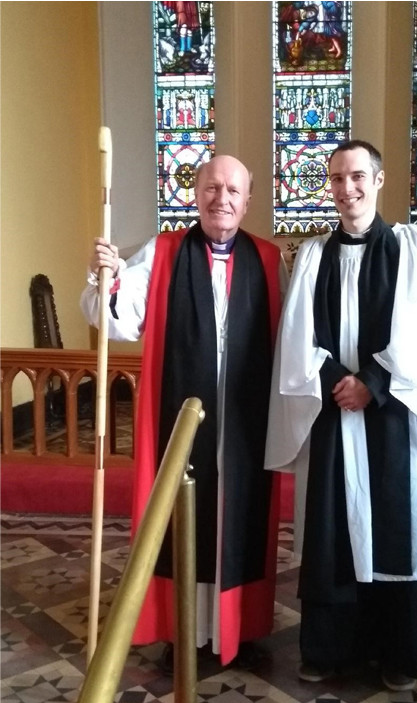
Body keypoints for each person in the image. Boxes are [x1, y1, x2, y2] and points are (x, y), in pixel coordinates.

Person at [265, 139, 417, 691]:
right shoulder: (313, 256)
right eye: (337, 178)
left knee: (393, 527)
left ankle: (400, 652)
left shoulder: (410, 248)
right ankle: (330, 649)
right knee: (332, 527)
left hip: (391, 415)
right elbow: (297, 337)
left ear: (378, 181)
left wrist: (373, 384)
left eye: (358, 176)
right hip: (333, 413)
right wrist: (338, 383)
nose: (347, 188)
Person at [80, 154, 288, 672]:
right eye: (212, 187)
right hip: (180, 419)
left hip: (244, 420)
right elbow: (119, 321)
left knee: (241, 512)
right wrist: (105, 279)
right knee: (180, 516)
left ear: (249, 199)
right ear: (195, 193)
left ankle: (241, 628)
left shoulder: (268, 259)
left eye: (234, 190)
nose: (222, 199)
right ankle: (186, 631)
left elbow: (290, 336)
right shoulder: (164, 252)